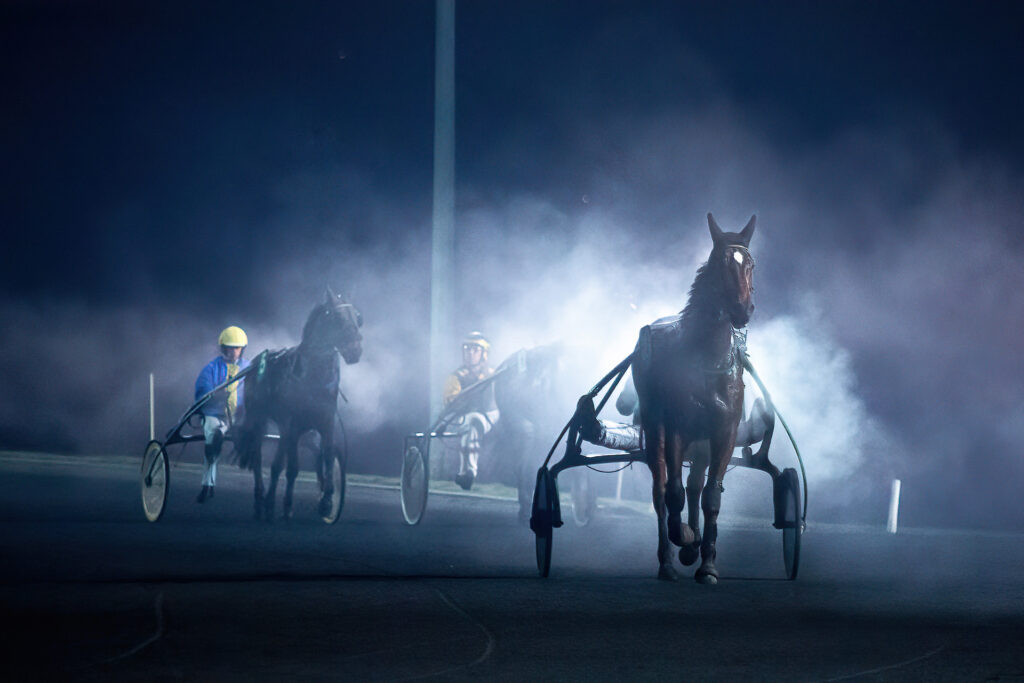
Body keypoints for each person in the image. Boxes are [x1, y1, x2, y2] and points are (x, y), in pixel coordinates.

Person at [194, 326, 248, 503]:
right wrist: (215, 395)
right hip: (213, 414)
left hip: (237, 417)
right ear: (223, 348)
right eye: (230, 348)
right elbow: (202, 390)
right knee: (212, 432)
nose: (234, 352)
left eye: (237, 348)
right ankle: (207, 485)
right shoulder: (210, 368)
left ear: (242, 349)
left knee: (222, 432)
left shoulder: (248, 368)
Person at [443, 331, 498, 490]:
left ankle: (464, 472)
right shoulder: (456, 377)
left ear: (484, 354)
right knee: (472, 421)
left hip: (492, 416)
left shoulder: (493, 374)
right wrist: (461, 399)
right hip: (465, 418)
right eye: (467, 349)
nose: (470, 353)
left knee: (474, 420)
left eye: (475, 349)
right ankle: (469, 472)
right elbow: (450, 403)